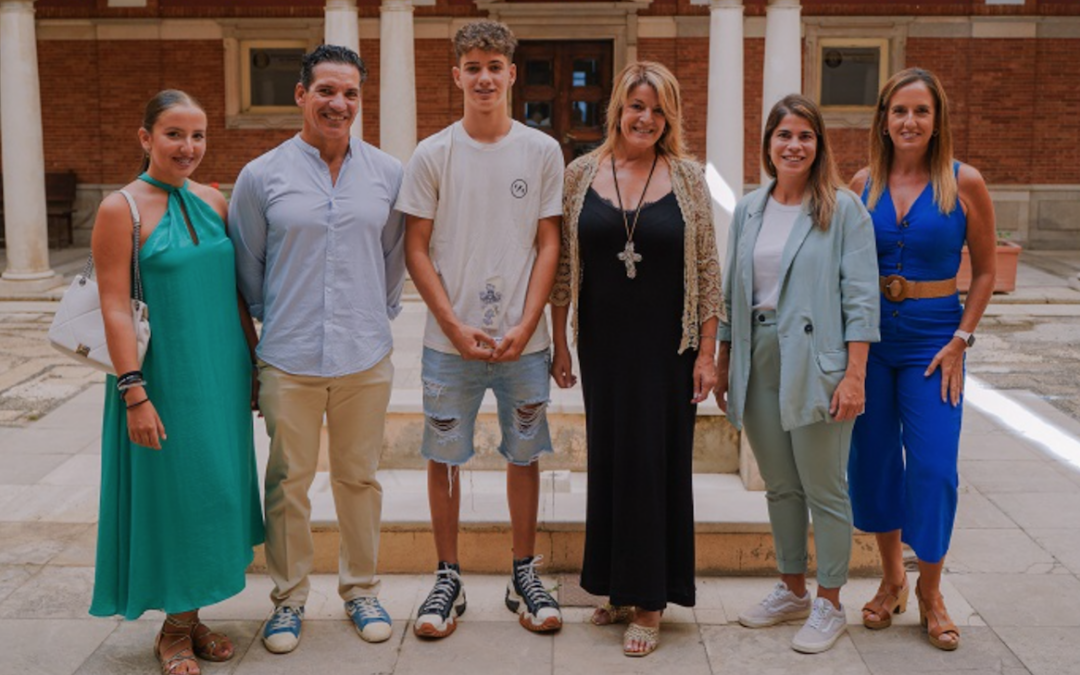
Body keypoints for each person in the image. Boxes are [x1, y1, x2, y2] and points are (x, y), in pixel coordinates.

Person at [229, 45, 406, 653]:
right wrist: (277, 326)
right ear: (301, 95)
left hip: (364, 355)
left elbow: (390, 261)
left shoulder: (386, 173)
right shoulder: (261, 176)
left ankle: (361, 590)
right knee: (288, 483)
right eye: (326, 91)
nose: (339, 103)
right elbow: (249, 271)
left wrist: (366, 317)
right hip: (290, 356)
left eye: (351, 93)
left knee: (359, 479)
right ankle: (289, 601)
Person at [397, 19, 564, 640]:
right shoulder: (432, 152)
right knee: (445, 458)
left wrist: (529, 322)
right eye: (473, 67)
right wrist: (451, 322)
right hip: (450, 343)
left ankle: (524, 572)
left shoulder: (541, 150)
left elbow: (549, 243)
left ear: (512, 73)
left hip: (524, 342)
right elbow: (416, 248)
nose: (485, 77)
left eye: (495, 66)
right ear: (457, 75)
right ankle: (448, 577)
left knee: (525, 454)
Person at [549, 61, 722, 658]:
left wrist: (708, 353)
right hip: (602, 346)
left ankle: (651, 600)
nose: (645, 118)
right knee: (613, 460)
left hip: (666, 348)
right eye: (636, 106)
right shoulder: (579, 175)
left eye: (657, 109)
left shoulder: (688, 178)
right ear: (618, 109)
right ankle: (618, 587)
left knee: (654, 463)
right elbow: (565, 265)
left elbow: (706, 269)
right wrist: (560, 339)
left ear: (669, 116)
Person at [90, 89, 264, 675]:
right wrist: (133, 392)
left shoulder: (215, 200)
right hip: (162, 379)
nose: (188, 147)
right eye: (174, 134)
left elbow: (237, 292)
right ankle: (173, 630)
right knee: (175, 499)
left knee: (215, 494)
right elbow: (114, 307)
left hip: (223, 374)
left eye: (198, 136)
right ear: (145, 138)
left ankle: (189, 616)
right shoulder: (121, 208)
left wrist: (256, 362)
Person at [713, 94, 880, 654]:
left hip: (818, 362)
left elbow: (861, 299)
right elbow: (734, 293)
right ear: (768, 144)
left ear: (819, 145)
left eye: (805, 136)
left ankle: (831, 601)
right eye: (784, 135)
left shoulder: (843, 209)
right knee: (781, 485)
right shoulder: (749, 209)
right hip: (757, 354)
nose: (794, 145)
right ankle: (791, 590)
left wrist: (854, 375)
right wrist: (721, 363)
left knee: (823, 484)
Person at [848, 68, 995, 652]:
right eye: (899, 111)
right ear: (883, 119)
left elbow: (984, 271)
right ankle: (891, 581)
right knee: (875, 463)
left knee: (934, 467)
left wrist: (961, 338)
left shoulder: (964, 183)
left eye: (921, 112)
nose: (910, 122)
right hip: (872, 344)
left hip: (936, 346)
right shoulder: (861, 185)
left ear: (937, 122)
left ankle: (931, 592)